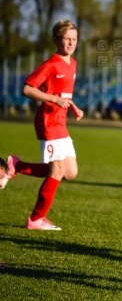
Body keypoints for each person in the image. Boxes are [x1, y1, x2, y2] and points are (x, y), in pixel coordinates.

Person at [0, 20, 83, 230]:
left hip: (61, 122)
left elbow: (64, 94)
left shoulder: (72, 63)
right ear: (56, 40)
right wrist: (54, 100)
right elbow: (27, 89)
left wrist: (73, 107)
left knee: (70, 172)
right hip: (48, 122)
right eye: (67, 39)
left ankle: (16, 166)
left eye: (74, 38)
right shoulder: (52, 64)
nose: (72, 42)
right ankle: (36, 219)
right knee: (56, 171)